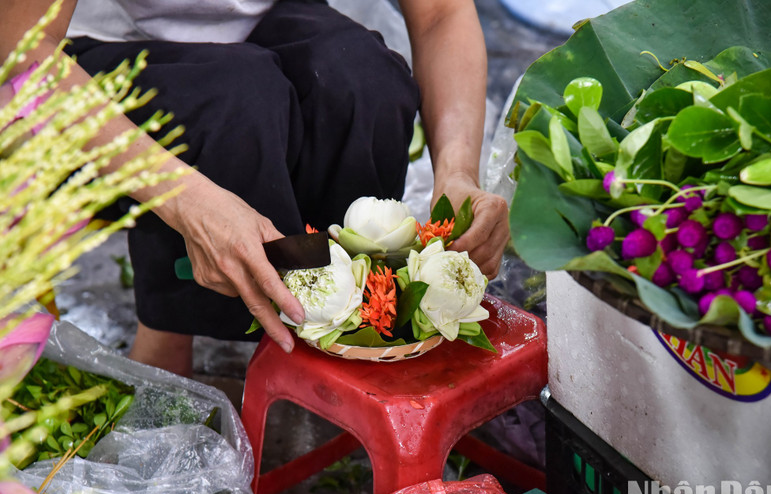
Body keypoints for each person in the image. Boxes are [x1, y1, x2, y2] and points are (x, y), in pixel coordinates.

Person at [1, 0, 510, 377]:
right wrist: (190, 200)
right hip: (75, 71)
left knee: (361, 79)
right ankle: (166, 337)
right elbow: (22, 50)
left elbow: (441, 13)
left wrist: (457, 175)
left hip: (259, 34)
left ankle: (334, 312)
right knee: (237, 101)